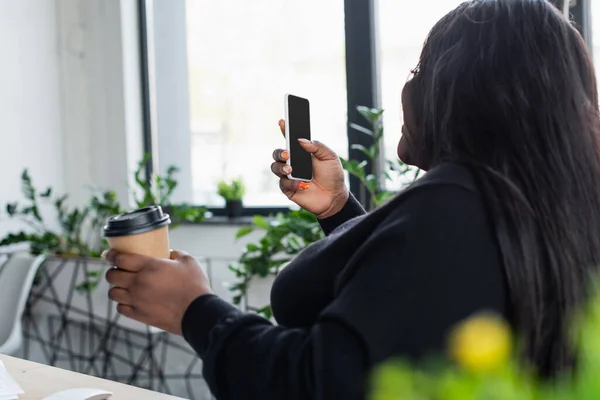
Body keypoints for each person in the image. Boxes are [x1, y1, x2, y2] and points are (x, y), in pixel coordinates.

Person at [103, 0, 600, 398]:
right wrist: (339, 211)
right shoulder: (530, 207)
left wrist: (196, 310)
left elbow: (317, 383)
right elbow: (412, 311)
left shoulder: (454, 206)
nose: (407, 86)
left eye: (419, 68)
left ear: (462, 92)